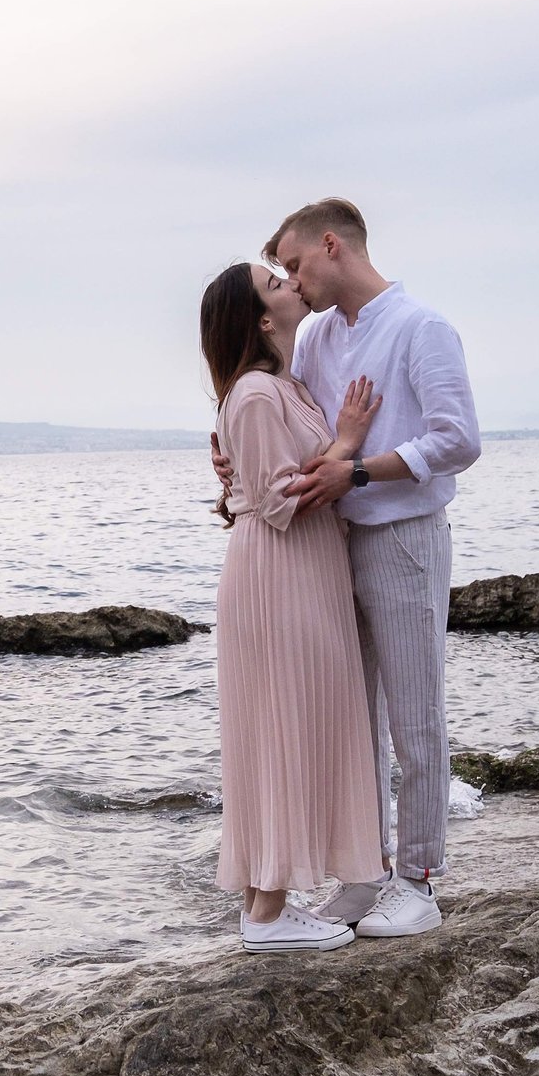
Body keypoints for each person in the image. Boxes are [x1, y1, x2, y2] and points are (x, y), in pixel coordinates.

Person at [235, 197, 481, 939]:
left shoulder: (421, 327)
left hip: (403, 536)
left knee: (415, 716)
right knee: (353, 722)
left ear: (333, 246)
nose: (292, 280)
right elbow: (296, 425)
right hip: (330, 545)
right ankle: (364, 873)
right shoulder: (314, 342)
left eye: (296, 263)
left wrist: (363, 473)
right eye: (282, 272)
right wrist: (236, 458)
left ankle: (421, 881)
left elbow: (459, 438)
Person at [199, 261, 388, 953]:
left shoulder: (283, 387)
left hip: (304, 569)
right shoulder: (255, 393)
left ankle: (267, 904)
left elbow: (259, 479)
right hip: (278, 572)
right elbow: (280, 499)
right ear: (260, 318)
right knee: (278, 730)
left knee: (292, 727)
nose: (287, 282)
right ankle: (268, 911)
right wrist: (347, 441)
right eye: (273, 282)